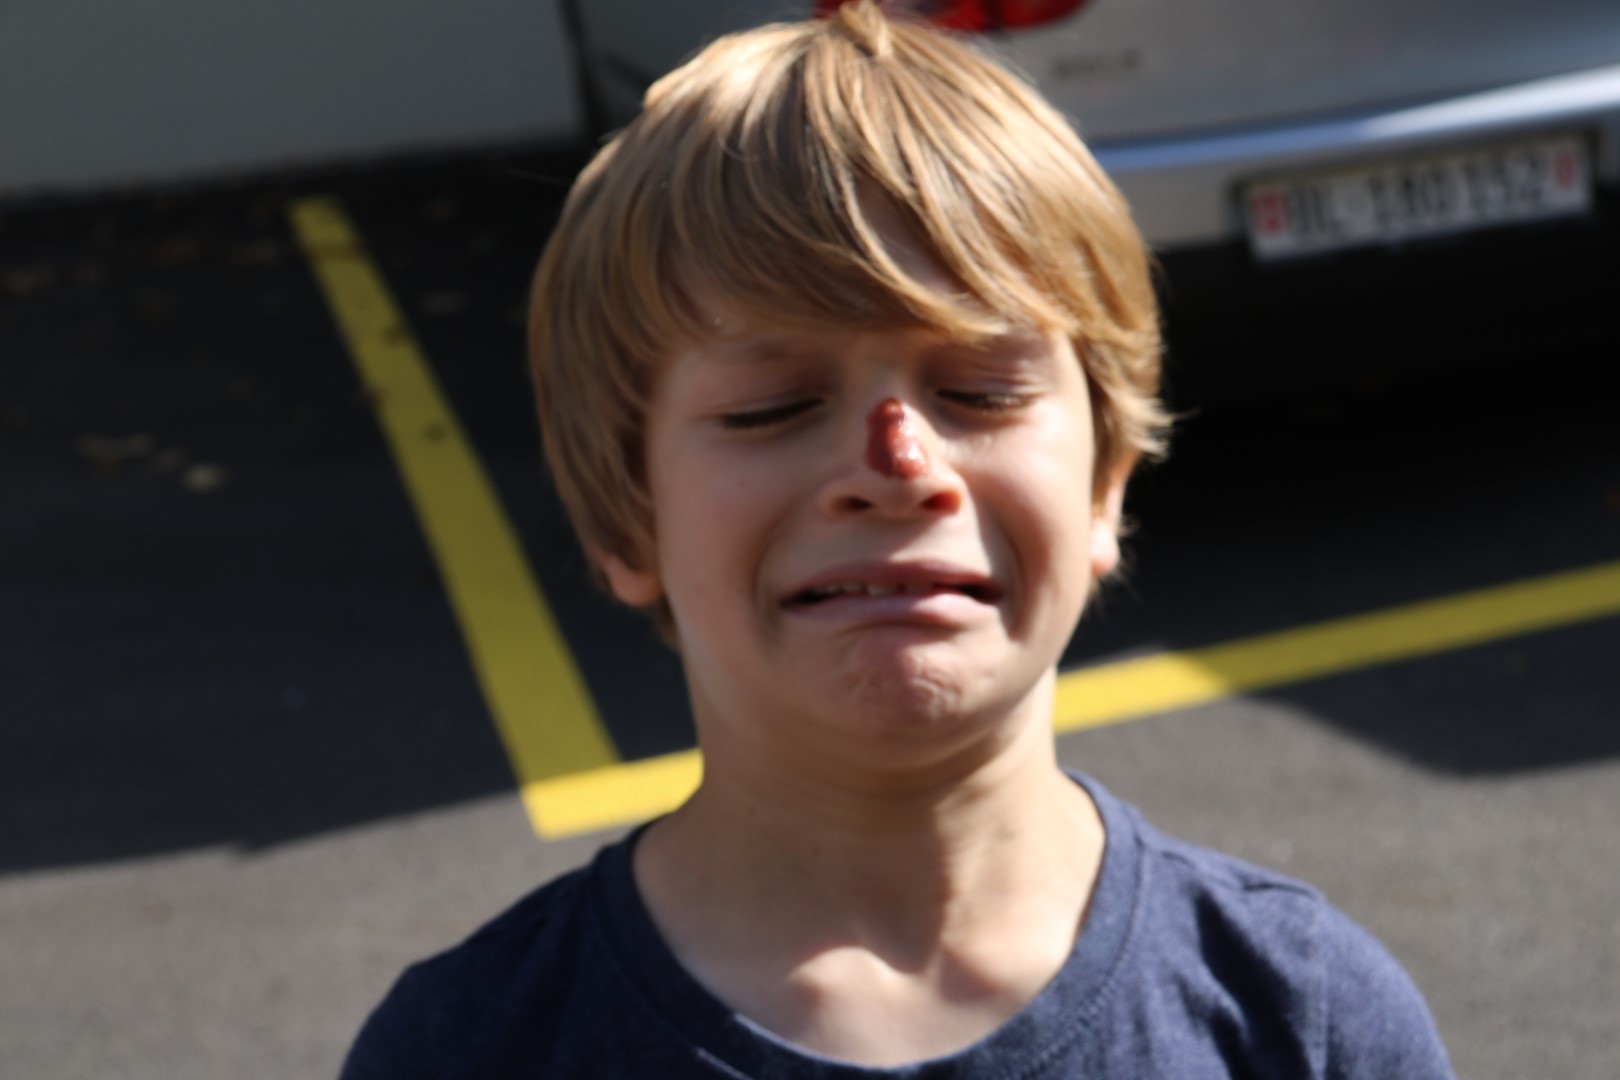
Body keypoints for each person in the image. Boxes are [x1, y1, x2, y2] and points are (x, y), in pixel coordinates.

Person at [340, 3, 1455, 1076]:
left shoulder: (1305, 1023)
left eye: (981, 389)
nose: (898, 467)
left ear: (1104, 486)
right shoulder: (466, 1051)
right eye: (770, 408)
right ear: (624, 515)